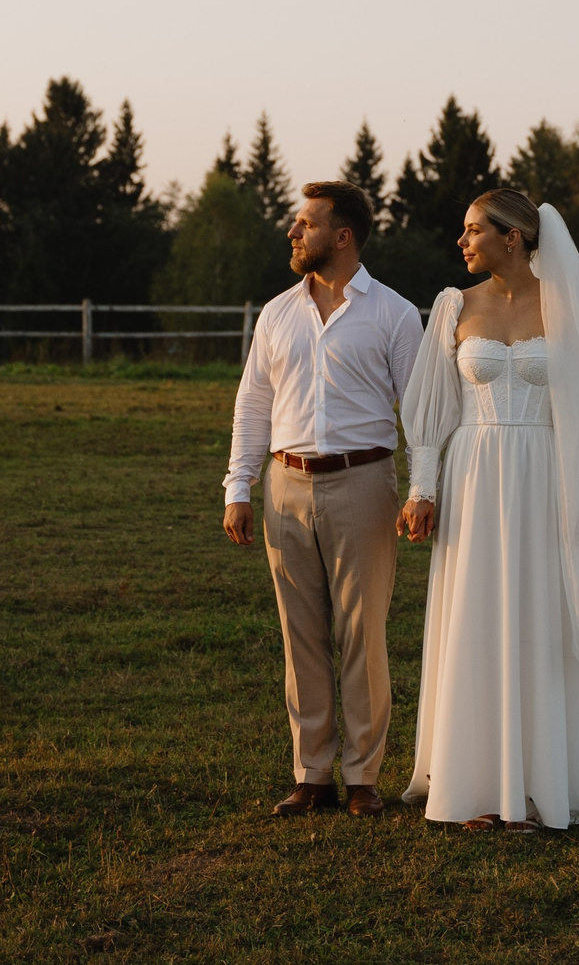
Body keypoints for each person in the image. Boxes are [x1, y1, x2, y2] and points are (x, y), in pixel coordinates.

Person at [398, 188, 579, 831]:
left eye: (472, 230)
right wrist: (422, 489)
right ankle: (478, 784)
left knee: (543, 623)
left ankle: (546, 781)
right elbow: (432, 409)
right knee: (478, 620)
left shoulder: (566, 305)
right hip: (475, 479)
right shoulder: (452, 306)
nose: (461, 242)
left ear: (512, 237)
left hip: (548, 478)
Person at [221, 179, 424, 818]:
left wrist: (423, 489)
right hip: (284, 486)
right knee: (300, 634)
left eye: (304, 224)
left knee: (364, 634)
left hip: (365, 483)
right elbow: (253, 401)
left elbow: (418, 413)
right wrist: (239, 487)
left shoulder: (394, 313)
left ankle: (363, 778)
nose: (293, 232)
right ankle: (312, 775)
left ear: (342, 236)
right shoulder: (277, 312)